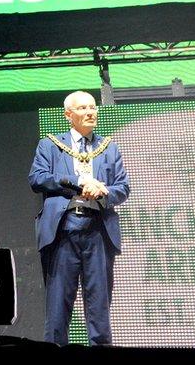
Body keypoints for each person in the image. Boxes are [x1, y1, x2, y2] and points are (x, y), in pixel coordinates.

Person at [28, 90, 130, 346]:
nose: (90, 112)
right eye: (83, 108)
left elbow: (123, 187)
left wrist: (103, 190)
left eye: (93, 107)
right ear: (68, 114)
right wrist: (77, 182)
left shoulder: (108, 148)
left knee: (100, 308)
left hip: (98, 229)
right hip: (63, 229)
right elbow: (37, 179)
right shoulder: (50, 145)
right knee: (57, 309)